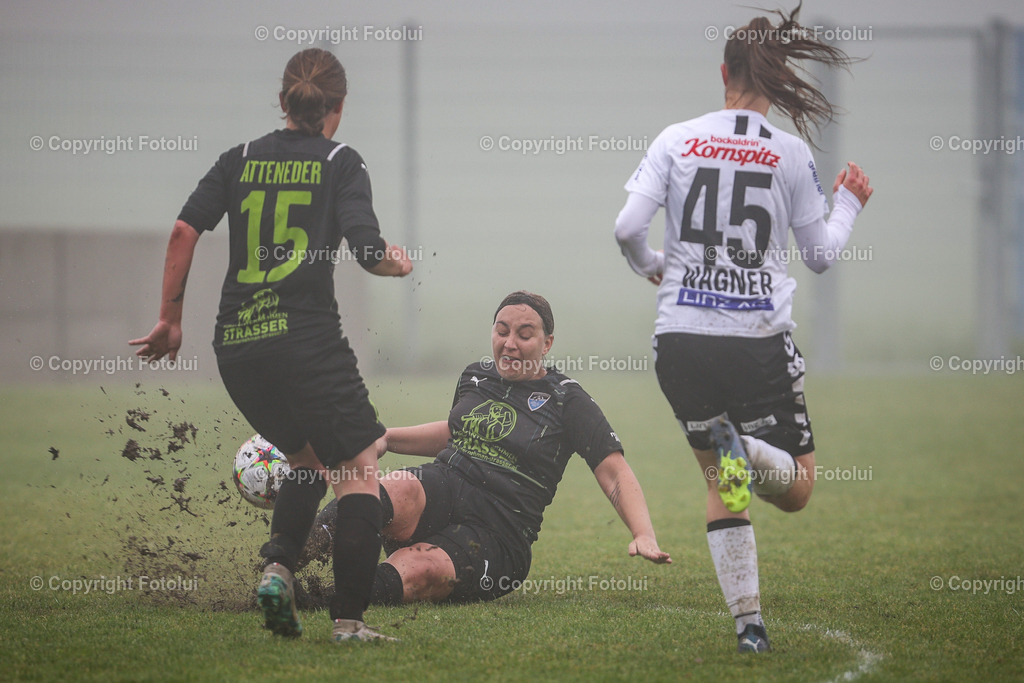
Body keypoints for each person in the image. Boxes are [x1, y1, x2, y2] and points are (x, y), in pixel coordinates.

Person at [613, 3, 872, 653]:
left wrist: (651, 265)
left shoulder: (675, 138)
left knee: (722, 481)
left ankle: (749, 625)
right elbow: (818, 255)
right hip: (754, 341)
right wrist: (848, 202)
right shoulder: (788, 154)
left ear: (721, 71)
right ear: (776, 82)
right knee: (799, 489)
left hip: (680, 339)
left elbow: (625, 229)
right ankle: (747, 449)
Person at [130, 48, 413, 643]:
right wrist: (396, 264)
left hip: (237, 347)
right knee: (359, 465)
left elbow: (185, 229)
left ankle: (278, 571)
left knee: (307, 459)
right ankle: (349, 623)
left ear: (282, 101)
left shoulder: (240, 159)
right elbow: (368, 249)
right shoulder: (342, 162)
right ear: (336, 108)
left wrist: (169, 320)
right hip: (308, 344)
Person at [301, 291, 671, 604]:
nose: (509, 343)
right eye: (502, 330)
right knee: (395, 486)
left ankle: (311, 600)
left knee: (422, 569)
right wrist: (385, 438)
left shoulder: (568, 401)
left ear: (547, 343)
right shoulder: (475, 376)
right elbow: (456, 432)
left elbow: (614, 471)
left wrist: (643, 533)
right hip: (446, 485)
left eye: (525, 334)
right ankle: (287, 561)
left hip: (500, 528)